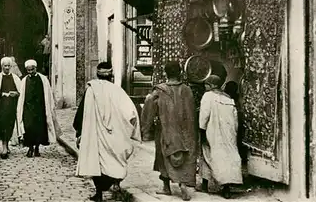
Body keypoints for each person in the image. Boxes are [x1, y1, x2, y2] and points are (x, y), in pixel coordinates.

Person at [73, 62, 141, 202]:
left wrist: (79, 132)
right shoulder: (118, 91)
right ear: (111, 76)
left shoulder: (91, 90)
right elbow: (131, 113)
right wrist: (131, 129)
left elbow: (81, 114)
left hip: (96, 135)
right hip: (115, 135)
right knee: (116, 159)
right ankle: (116, 183)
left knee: (98, 163)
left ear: (97, 75)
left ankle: (98, 194)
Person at [140, 61, 197, 201]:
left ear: (166, 73)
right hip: (186, 131)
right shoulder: (187, 90)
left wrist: (145, 129)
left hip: (166, 129)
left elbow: (149, 108)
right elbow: (192, 112)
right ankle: (183, 183)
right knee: (185, 154)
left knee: (163, 155)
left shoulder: (159, 91)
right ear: (180, 73)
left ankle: (166, 187)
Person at [199, 66, 243, 199]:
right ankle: (226, 188)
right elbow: (235, 120)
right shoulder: (228, 98)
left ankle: (205, 186)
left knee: (207, 155)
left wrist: (202, 131)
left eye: (206, 84)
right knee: (228, 158)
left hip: (212, 132)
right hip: (228, 134)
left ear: (211, 85)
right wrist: (232, 134)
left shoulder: (208, 96)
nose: (205, 87)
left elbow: (204, 116)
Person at [16, 59, 57, 158]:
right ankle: (30, 148)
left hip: (40, 108)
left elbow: (48, 94)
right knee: (29, 128)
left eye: (32, 69)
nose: (30, 72)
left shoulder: (43, 79)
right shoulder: (24, 80)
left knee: (39, 129)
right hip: (28, 108)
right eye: (28, 70)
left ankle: (37, 148)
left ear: (36, 68)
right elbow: (22, 96)